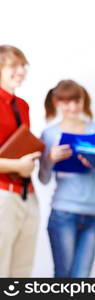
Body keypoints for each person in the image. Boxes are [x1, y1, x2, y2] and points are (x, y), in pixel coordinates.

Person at [38, 80, 95, 277]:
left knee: (82, 277)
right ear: (57, 102)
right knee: (63, 276)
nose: (72, 107)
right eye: (66, 102)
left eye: (76, 101)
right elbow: (43, 179)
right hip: (63, 212)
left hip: (92, 211)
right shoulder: (49, 134)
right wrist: (50, 158)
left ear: (83, 101)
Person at [0, 45, 41, 277]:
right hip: (3, 197)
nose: (21, 71)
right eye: (13, 65)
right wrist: (18, 166)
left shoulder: (22, 105)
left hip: (28, 195)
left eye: (23, 65)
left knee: (23, 270)